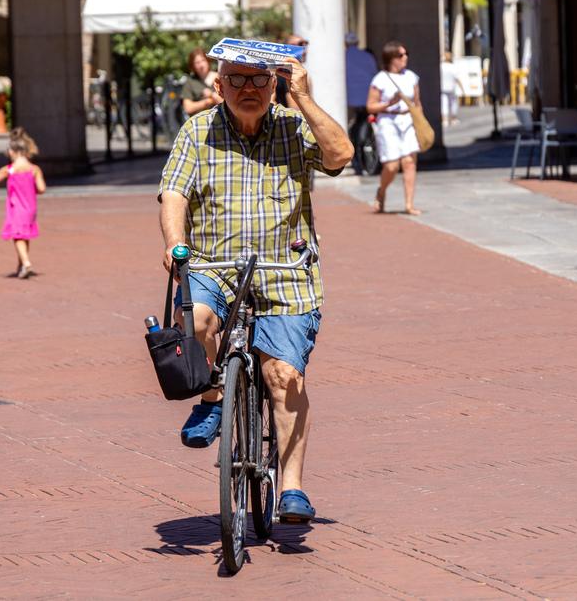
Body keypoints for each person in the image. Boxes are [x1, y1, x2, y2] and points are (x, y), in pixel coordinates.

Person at [158, 56, 354, 522]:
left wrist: (303, 97)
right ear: (220, 84)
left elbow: (340, 156)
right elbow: (174, 193)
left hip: (283, 269)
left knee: (283, 376)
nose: (248, 88)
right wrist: (175, 243)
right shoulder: (198, 131)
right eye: (237, 79)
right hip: (215, 265)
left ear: (274, 84)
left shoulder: (293, 124)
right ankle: (212, 398)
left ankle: (291, 487)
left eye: (259, 80)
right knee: (198, 320)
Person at [0, 127, 46, 278]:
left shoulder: (9, 170)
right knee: (25, 236)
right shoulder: (34, 169)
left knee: (17, 236)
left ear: (12, 151)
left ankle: (26, 262)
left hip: (17, 208)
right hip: (31, 208)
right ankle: (21, 265)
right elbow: (42, 188)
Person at [367, 40, 422, 215]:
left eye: (406, 54)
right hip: (388, 121)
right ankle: (381, 191)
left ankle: (409, 204)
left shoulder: (411, 77)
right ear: (391, 58)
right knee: (391, 166)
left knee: (409, 162)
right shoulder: (380, 79)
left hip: (407, 120)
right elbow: (370, 106)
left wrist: (420, 121)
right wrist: (389, 104)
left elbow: (417, 103)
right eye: (401, 55)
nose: (405, 57)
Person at [345, 33, 379, 174]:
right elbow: (374, 74)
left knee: (348, 127)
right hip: (366, 99)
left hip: (349, 100)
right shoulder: (367, 56)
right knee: (365, 123)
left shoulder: (342, 56)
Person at [180, 48, 222, 118]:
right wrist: (207, 102)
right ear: (193, 65)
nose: (201, 65)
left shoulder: (219, 77)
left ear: (207, 61)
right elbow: (188, 108)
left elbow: (226, 103)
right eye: (197, 62)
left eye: (203, 60)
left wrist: (211, 94)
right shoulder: (190, 82)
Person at [275, 34, 308, 109]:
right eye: (300, 44)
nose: (304, 49)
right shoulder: (286, 74)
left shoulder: (300, 73)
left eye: (305, 44)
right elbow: (296, 110)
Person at [440, 51, 464, 126]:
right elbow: (457, 79)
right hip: (451, 88)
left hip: (443, 88)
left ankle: (445, 120)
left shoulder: (441, 66)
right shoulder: (453, 67)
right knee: (453, 104)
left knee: (444, 104)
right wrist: (462, 89)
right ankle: (453, 119)